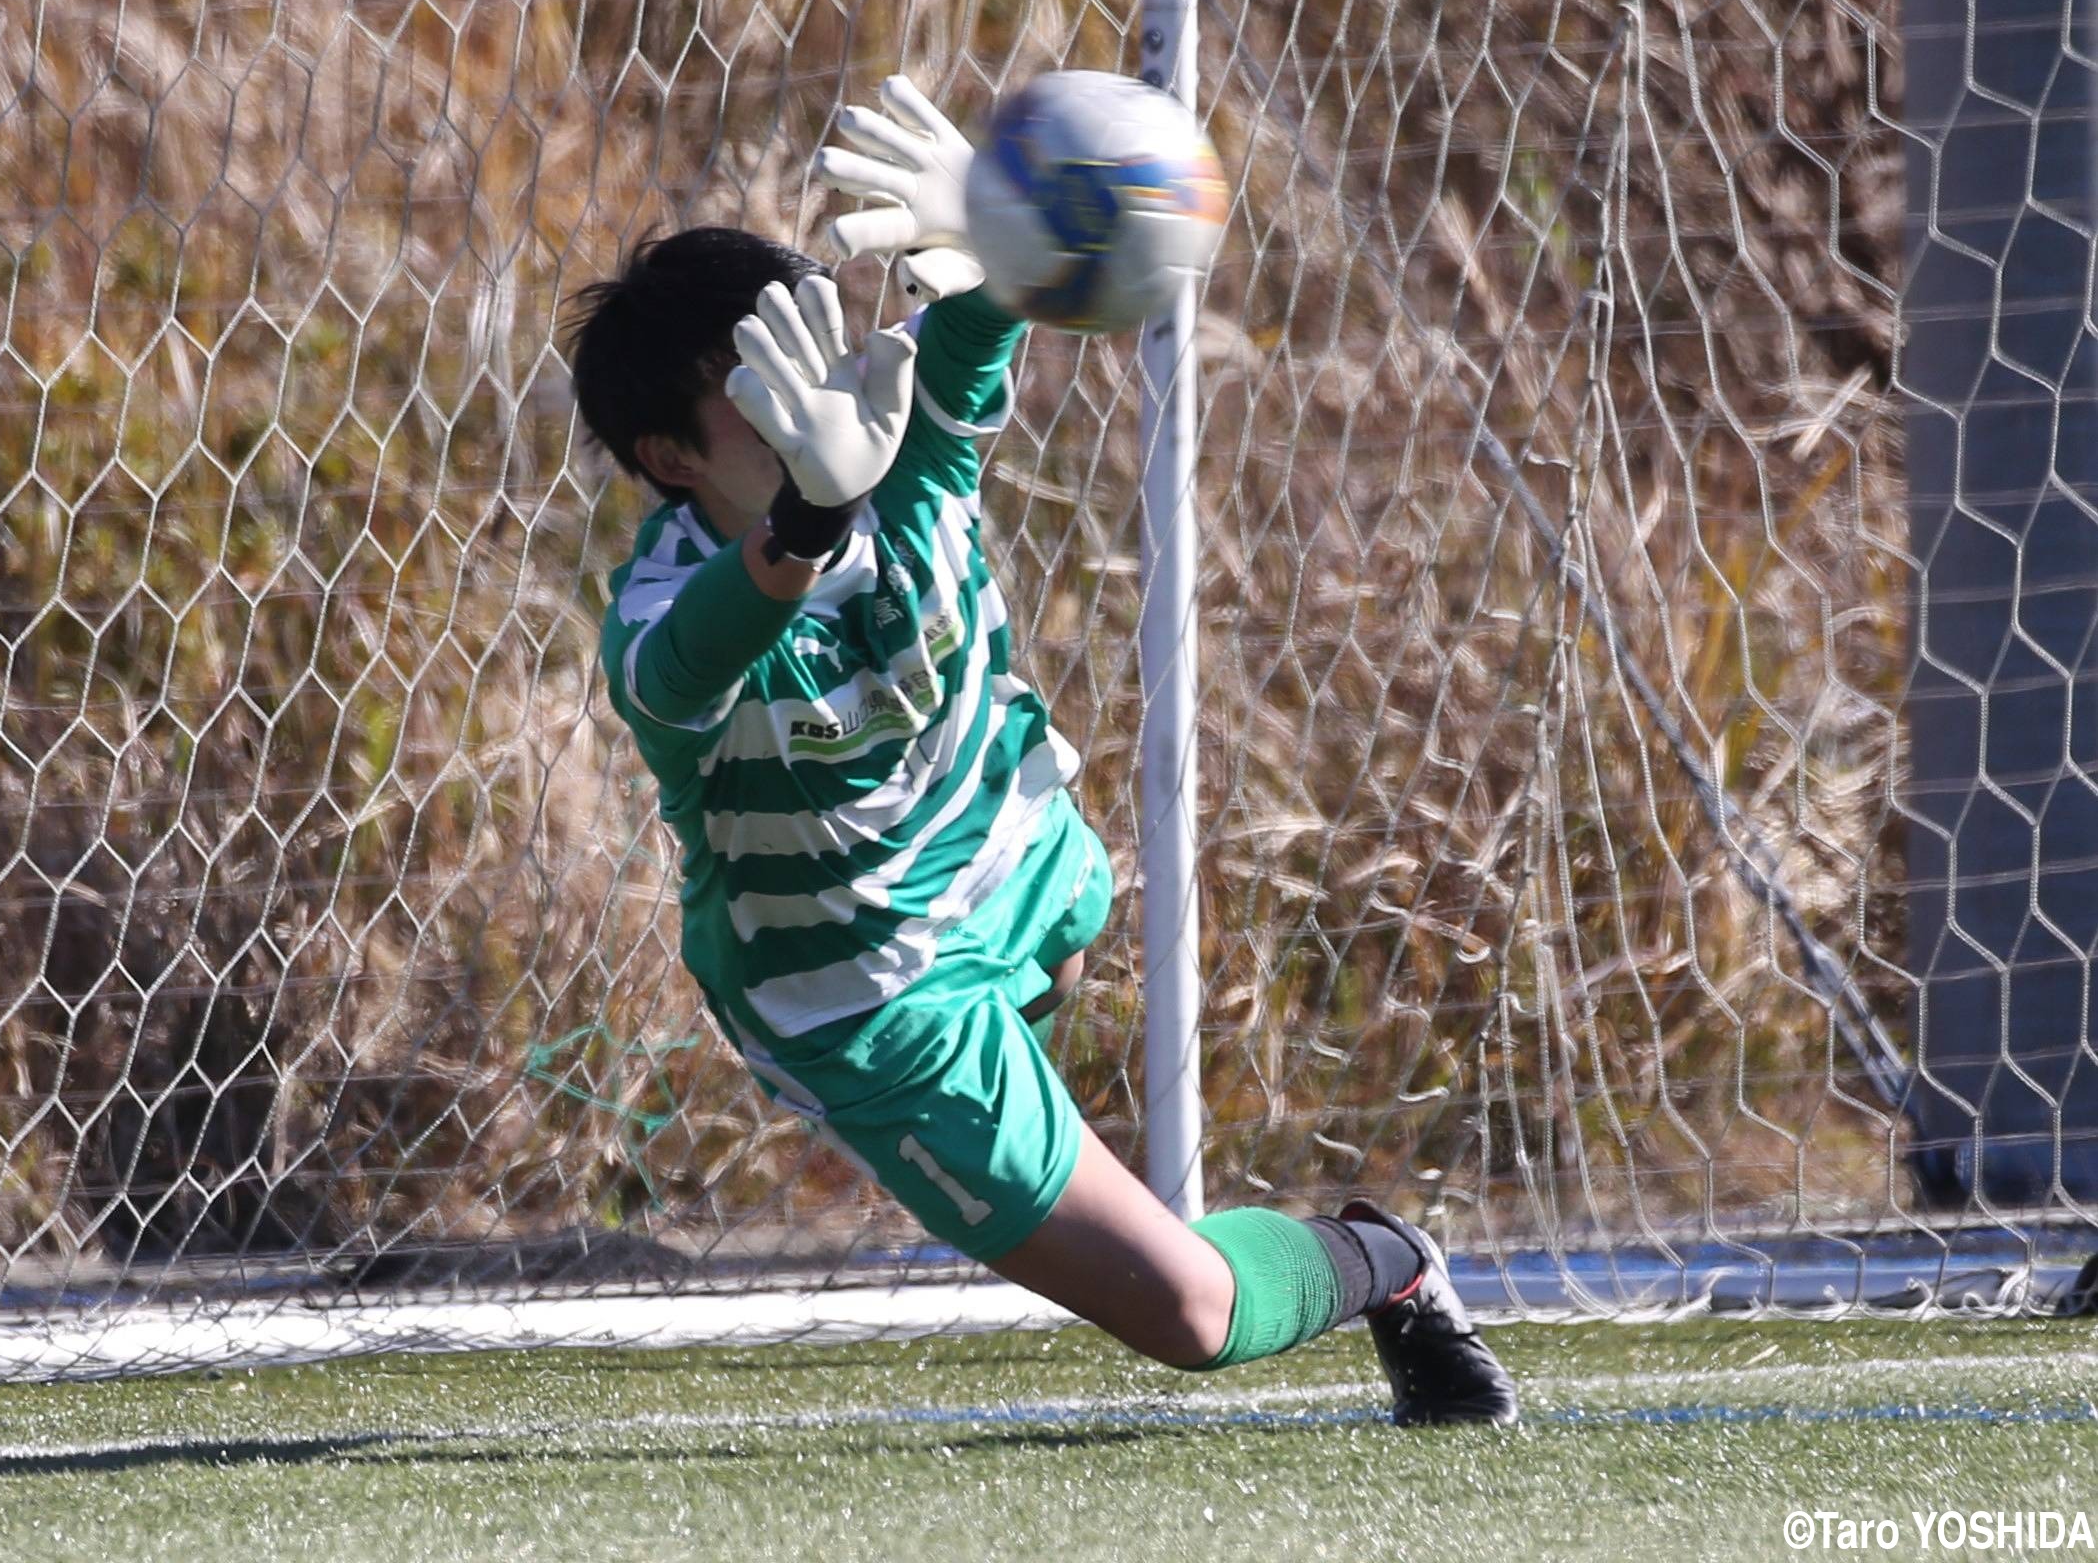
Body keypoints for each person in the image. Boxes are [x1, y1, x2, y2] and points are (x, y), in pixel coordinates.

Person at [568, 76, 1517, 1425]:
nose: (821, 390)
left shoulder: (903, 445)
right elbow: (685, 669)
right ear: (669, 454)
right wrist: (806, 522)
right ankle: (1390, 1267)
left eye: (816, 343)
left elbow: (988, 311)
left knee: (1064, 944)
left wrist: (1016, 225)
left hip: (1017, 858)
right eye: (758, 389)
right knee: (1192, 1318)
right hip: (872, 999)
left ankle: (1057, 1064)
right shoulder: (671, 610)